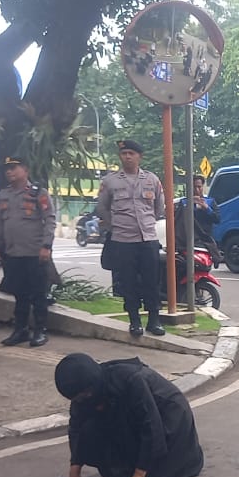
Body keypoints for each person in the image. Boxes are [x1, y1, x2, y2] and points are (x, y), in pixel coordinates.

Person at [54, 353, 205, 477]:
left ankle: (153, 466)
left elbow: (151, 425)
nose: (84, 399)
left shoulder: (131, 380)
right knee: (94, 434)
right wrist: (74, 473)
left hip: (169, 422)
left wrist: (139, 474)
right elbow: (77, 428)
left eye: (86, 395)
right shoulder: (85, 392)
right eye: (78, 398)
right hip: (133, 422)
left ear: (92, 386)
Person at [97, 139, 166, 337]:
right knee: (128, 282)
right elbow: (102, 207)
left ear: (139, 156)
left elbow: (159, 207)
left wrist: (147, 221)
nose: (127, 156)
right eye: (124, 153)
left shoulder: (152, 180)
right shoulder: (110, 181)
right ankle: (134, 321)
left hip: (147, 239)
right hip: (123, 240)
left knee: (152, 281)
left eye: (131, 153)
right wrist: (116, 225)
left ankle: (154, 320)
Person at [0, 156, 55, 347]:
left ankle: (40, 331)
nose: (9, 172)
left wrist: (46, 246)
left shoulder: (38, 193)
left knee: (38, 293)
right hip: (13, 253)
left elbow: (50, 220)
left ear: (25, 170)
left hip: (35, 252)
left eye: (14, 168)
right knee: (19, 295)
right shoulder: (4, 194)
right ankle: (20, 330)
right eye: (7, 169)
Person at [174, 174, 220, 263]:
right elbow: (177, 221)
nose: (196, 190)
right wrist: (189, 205)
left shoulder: (210, 201)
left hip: (204, 239)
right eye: (194, 187)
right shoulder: (184, 202)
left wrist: (206, 208)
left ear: (203, 187)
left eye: (199, 187)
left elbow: (217, 219)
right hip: (186, 241)